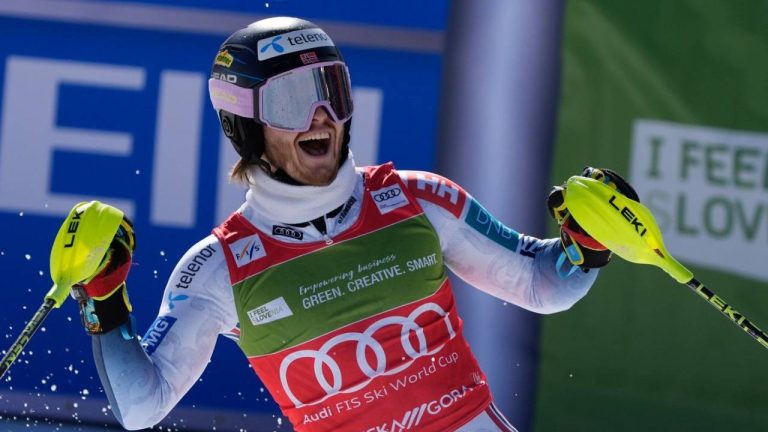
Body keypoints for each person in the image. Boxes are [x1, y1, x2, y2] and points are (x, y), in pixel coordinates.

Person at [73, 16, 637, 432]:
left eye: (332, 91)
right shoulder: (216, 269)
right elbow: (141, 408)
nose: (322, 116)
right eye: (294, 100)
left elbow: (542, 284)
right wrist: (104, 301)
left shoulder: (418, 199)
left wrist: (584, 247)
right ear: (245, 124)